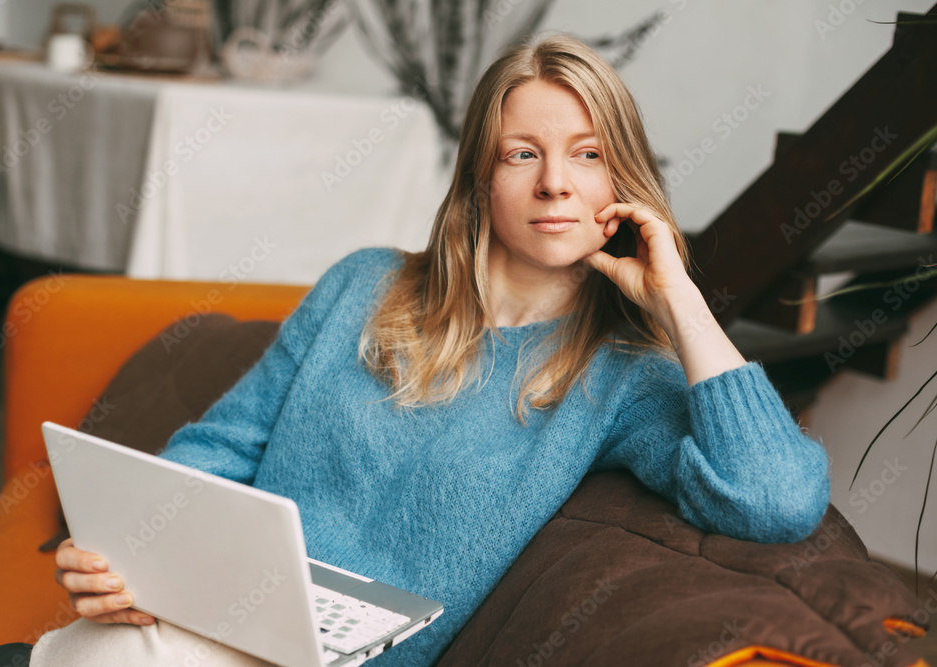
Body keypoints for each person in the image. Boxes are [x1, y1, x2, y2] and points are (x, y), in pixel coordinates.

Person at [40, 32, 829, 667]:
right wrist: (133, 556)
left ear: (621, 180)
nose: (556, 182)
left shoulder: (619, 375)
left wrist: (678, 298)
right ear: (481, 178)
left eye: (587, 154)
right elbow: (219, 447)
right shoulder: (363, 284)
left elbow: (774, 499)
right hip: (208, 615)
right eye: (522, 153)